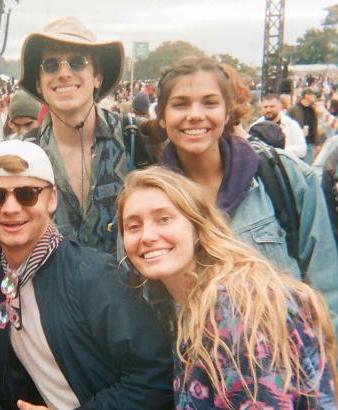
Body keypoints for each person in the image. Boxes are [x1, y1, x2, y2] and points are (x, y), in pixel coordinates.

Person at [0, 140, 173, 409]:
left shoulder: (95, 277)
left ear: (52, 199)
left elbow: (154, 377)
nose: (10, 208)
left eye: (27, 194)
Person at [117, 166, 337, 408]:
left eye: (164, 219)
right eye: (133, 226)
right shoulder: (190, 304)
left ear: (197, 226)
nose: (147, 236)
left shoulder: (234, 309)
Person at [155, 56, 338, 334]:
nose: (195, 114)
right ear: (162, 116)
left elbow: (328, 290)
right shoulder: (148, 200)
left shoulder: (284, 176)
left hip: (288, 367)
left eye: (210, 103)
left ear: (228, 111)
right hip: (193, 369)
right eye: (180, 104)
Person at [19, 17, 129, 254]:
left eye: (77, 62)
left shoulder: (136, 140)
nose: (64, 73)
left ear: (97, 77)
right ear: (39, 83)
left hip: (127, 289)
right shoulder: (22, 154)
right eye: (51, 65)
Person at [254, 93, 307, 158]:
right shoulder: (256, 126)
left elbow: (302, 150)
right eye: (265, 107)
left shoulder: (291, 125)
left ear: (280, 107)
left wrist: (278, 150)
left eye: (272, 106)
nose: (268, 110)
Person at [288, 87, 321, 163]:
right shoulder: (293, 109)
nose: (315, 97)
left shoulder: (312, 109)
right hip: (296, 144)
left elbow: (314, 127)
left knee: (308, 168)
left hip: (309, 143)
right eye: (314, 95)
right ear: (307, 96)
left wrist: (317, 142)